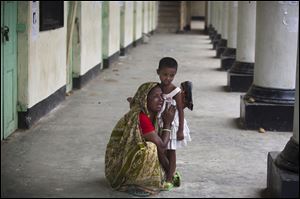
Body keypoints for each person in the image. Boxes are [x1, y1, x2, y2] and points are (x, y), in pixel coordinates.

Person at [105, 82, 177, 197]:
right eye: (155, 97)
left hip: (130, 156)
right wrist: (168, 124)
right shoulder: (142, 117)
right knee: (151, 148)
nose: (160, 100)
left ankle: (149, 177)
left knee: (158, 145)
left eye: (161, 96)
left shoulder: (153, 114)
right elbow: (162, 146)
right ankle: (135, 183)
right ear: (145, 99)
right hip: (118, 166)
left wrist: (170, 173)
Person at [156, 57, 192, 186]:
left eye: (172, 75)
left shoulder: (176, 91)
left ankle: (170, 178)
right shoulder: (156, 88)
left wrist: (181, 129)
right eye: (165, 75)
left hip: (173, 124)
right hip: (160, 122)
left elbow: (181, 111)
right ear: (158, 72)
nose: (168, 78)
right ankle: (168, 172)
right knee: (160, 149)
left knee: (171, 151)